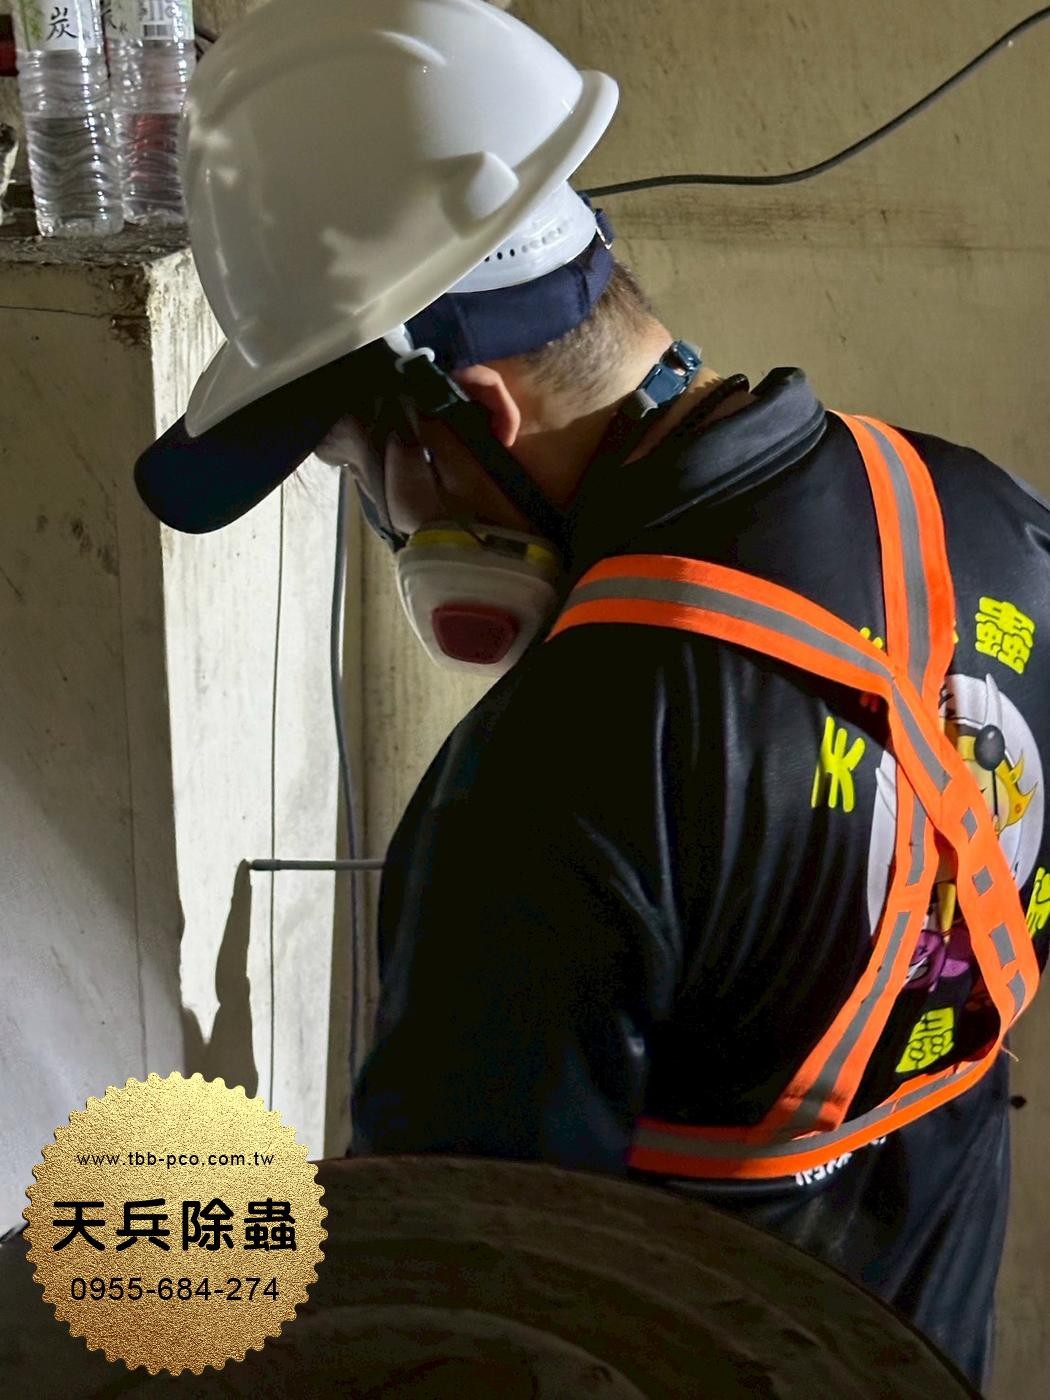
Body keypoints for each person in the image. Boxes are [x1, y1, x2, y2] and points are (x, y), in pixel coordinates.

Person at [135, 0, 1050, 1388]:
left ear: (469, 419)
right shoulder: (983, 511)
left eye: (362, 470)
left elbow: (460, 1300)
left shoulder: (543, 784)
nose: (389, 518)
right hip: (924, 1334)